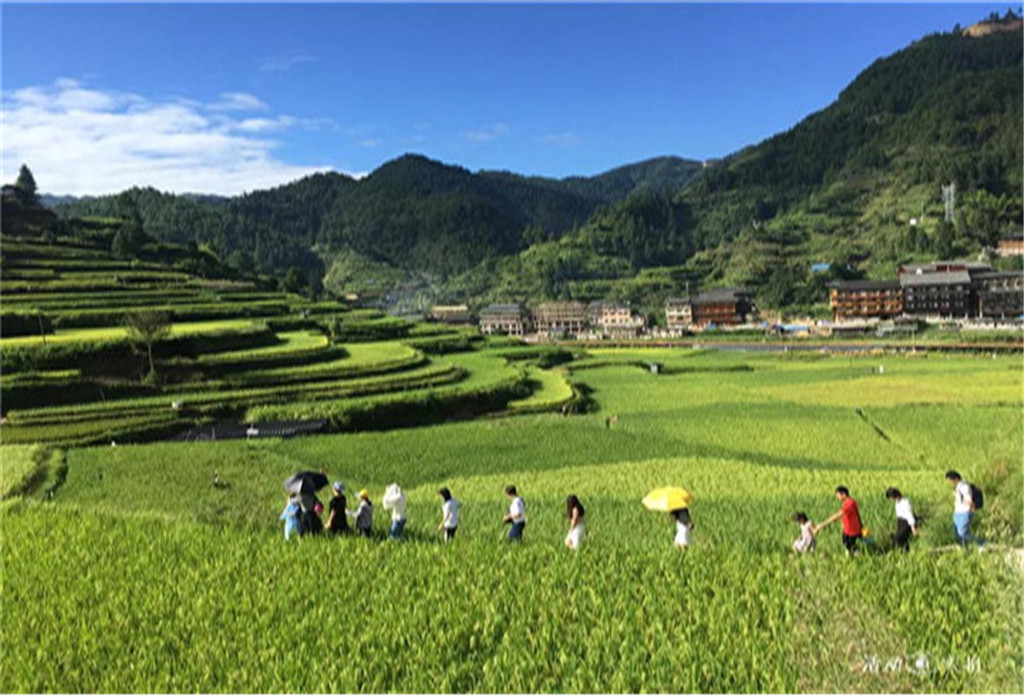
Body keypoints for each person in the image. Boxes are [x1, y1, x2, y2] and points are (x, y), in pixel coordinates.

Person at [815, 486, 862, 555]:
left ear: (844, 494)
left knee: (850, 546)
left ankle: (858, 555)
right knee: (846, 543)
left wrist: (823, 524)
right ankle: (852, 555)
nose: (838, 498)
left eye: (838, 495)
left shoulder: (849, 504)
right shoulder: (851, 501)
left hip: (852, 530)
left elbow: (838, 515)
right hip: (848, 529)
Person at [945, 470, 981, 547]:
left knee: (962, 532)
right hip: (957, 512)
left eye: (950, 480)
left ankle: (981, 542)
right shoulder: (958, 487)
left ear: (955, 478)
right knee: (956, 534)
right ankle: (962, 547)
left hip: (965, 512)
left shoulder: (964, 487)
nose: (950, 482)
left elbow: (969, 500)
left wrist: (971, 510)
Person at [884, 487, 917, 552]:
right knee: (904, 541)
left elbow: (909, 515)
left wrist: (913, 527)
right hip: (900, 523)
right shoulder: (897, 503)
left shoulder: (905, 502)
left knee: (896, 540)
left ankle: (893, 553)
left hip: (905, 524)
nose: (891, 500)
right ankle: (906, 553)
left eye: (891, 498)